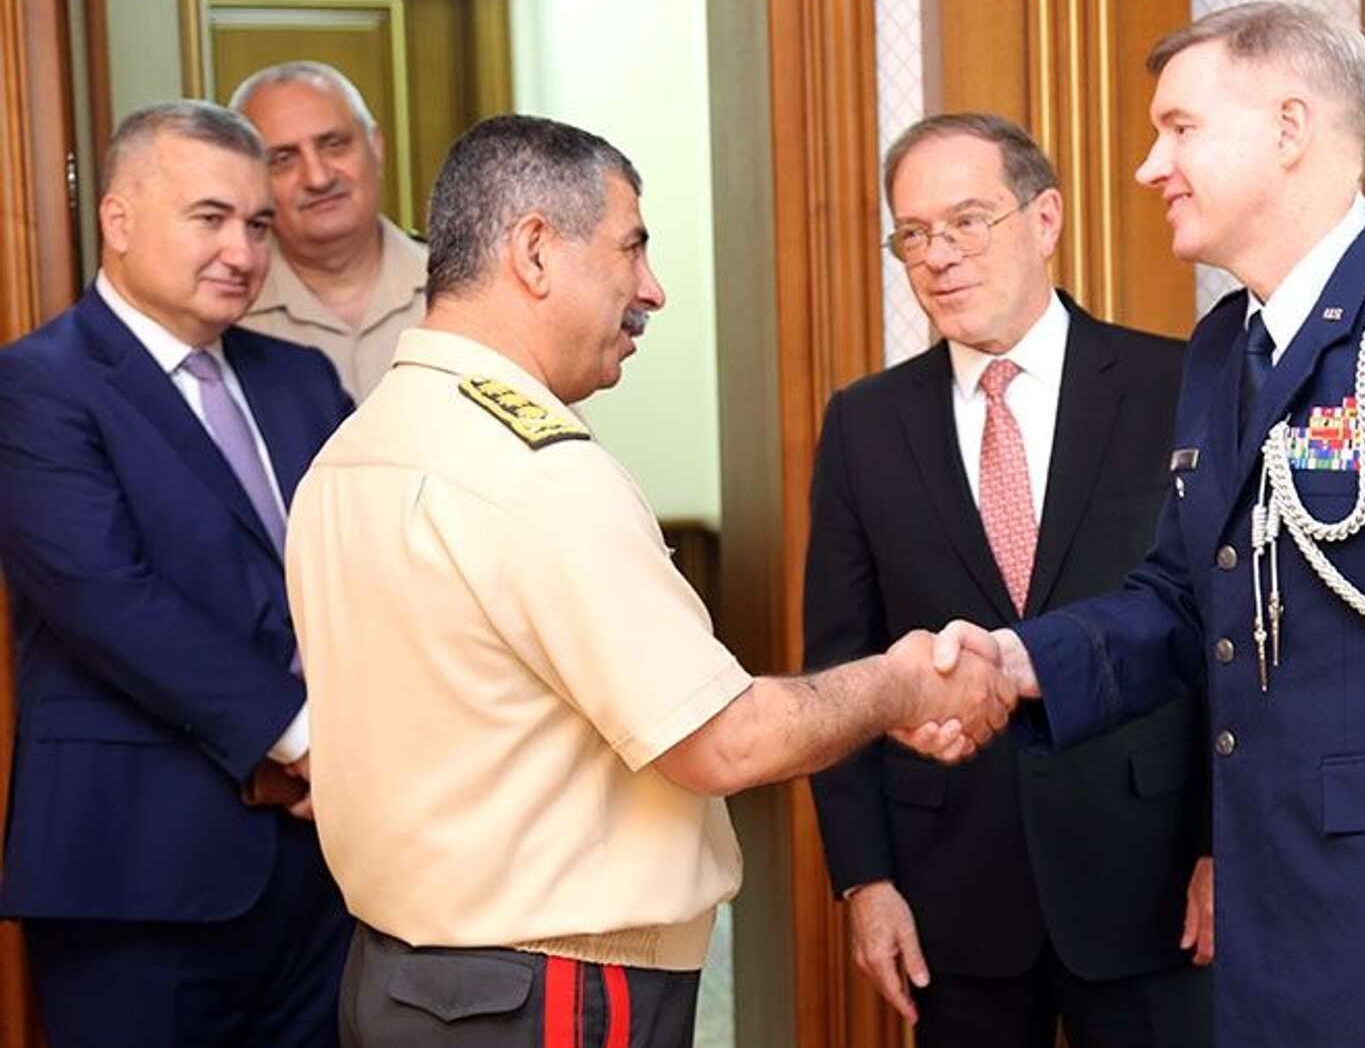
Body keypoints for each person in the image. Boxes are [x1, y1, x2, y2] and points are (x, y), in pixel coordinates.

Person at [283, 113, 1017, 1047]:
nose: (652, 290)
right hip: (542, 991)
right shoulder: (531, 470)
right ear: (536, 252)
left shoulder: (357, 449)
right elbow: (721, 743)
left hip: (405, 976)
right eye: (630, 248)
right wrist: (904, 682)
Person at [930, 2, 1365, 1047]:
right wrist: (1015, 662)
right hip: (1271, 928)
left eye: (1179, 129)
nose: (1151, 165)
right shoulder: (1224, 344)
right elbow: (1182, 602)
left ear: (1288, 128)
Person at [806, 113, 1212, 1047]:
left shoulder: (1176, 384)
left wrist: (1220, 849)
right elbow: (841, 668)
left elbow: (1225, 637)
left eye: (967, 221)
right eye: (914, 234)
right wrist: (865, 882)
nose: (938, 256)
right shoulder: (865, 425)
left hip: (1149, 881)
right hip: (953, 889)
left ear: (1045, 219)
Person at [0, 101, 356, 1047]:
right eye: (210, 218)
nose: (241, 250)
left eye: (258, 224)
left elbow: (366, 576)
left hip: (325, 867)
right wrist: (310, 737)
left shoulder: (303, 380)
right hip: (139, 876)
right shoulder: (38, 385)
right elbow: (109, 598)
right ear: (119, 221)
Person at [231, 61, 427, 401]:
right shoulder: (226, 314)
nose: (318, 178)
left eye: (334, 144)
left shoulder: (468, 288)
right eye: (283, 159)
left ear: (376, 146)